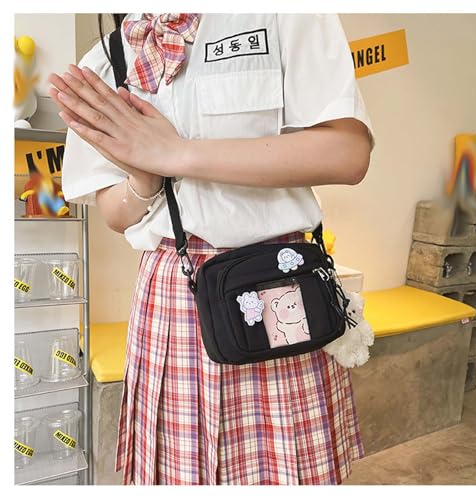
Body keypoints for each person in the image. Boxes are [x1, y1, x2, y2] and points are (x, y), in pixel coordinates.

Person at [48, 13, 374, 485]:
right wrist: (144, 176)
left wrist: (175, 153)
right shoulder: (109, 56)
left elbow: (348, 153)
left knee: (286, 473)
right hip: (171, 294)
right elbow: (115, 213)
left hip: (276, 282)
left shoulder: (285, 13)